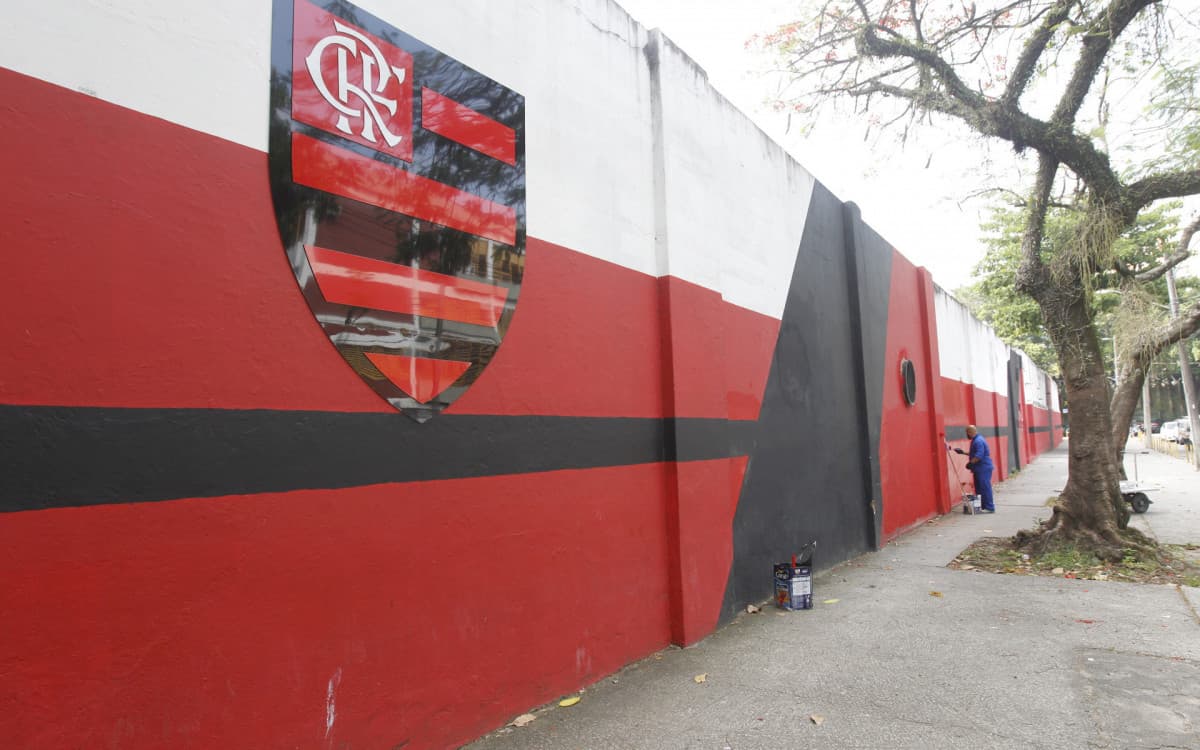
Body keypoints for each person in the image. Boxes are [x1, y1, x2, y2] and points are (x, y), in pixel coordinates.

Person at [954, 425, 995, 513]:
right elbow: (974, 453)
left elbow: (978, 456)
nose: (966, 435)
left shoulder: (978, 441)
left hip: (983, 468)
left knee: (984, 487)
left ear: (970, 432)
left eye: (967, 433)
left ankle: (989, 507)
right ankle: (983, 506)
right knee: (979, 488)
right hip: (979, 468)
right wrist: (962, 452)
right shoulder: (976, 440)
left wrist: (970, 463)